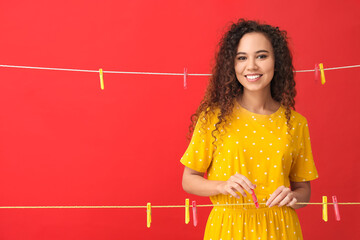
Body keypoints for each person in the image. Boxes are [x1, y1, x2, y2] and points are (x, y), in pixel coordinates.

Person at [180, 19, 318, 240]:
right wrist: (222, 186)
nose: (251, 66)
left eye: (261, 56)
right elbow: (189, 180)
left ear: (276, 62)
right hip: (228, 229)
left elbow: (304, 191)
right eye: (242, 58)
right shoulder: (213, 118)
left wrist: (293, 197)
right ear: (232, 66)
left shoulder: (296, 123)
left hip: (282, 230)